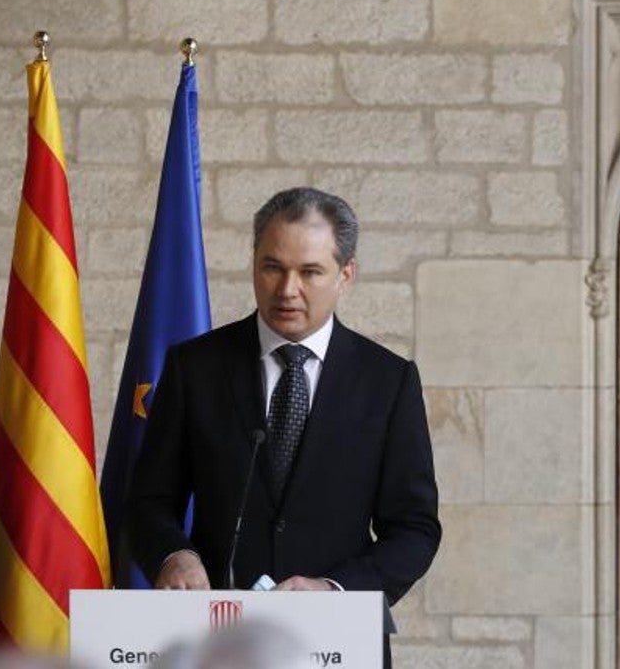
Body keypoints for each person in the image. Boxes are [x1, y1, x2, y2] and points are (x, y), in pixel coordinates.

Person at [127, 187, 441, 663]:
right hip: (217, 640)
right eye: (272, 267)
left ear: (346, 276)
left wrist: (335, 589)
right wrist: (175, 555)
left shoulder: (388, 381)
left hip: (337, 642)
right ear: (254, 264)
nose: (287, 289)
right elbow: (149, 500)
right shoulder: (195, 367)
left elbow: (414, 528)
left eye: (310, 272)